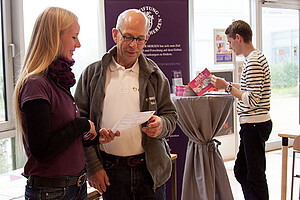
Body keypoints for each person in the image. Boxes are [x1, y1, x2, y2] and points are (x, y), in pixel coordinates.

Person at [13, 7, 119, 200]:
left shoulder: (57, 81)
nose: (78, 44)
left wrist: (94, 137)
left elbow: (61, 137)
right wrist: (83, 124)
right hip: (52, 192)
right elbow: (42, 150)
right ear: (54, 37)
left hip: (73, 187)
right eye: (74, 37)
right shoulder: (36, 85)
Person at [75, 9, 177, 200]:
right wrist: (93, 167)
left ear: (146, 39)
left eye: (140, 39)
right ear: (115, 34)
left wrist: (162, 125)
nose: (133, 45)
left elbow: (171, 115)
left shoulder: (155, 75)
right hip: (110, 171)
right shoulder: (92, 74)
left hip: (150, 171)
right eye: (128, 37)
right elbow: (79, 123)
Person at [211, 20, 272, 200]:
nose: (229, 47)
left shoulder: (252, 62)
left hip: (254, 124)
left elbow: (251, 99)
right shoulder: (256, 57)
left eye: (229, 42)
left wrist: (228, 88)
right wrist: (225, 85)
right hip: (254, 124)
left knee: (254, 175)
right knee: (243, 170)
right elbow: (249, 88)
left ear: (238, 38)